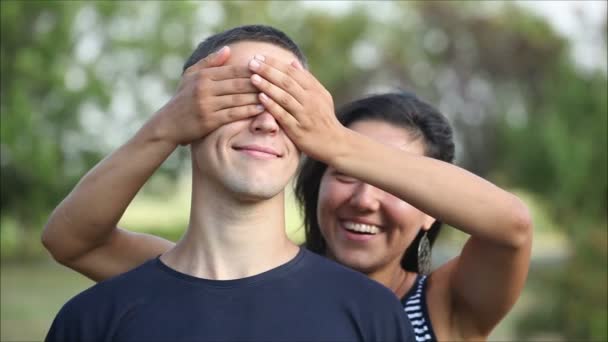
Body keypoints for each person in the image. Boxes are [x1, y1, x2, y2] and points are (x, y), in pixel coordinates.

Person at [44, 28, 533, 342]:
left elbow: (511, 225)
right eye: (344, 175)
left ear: (432, 205)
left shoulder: (437, 306)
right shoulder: (211, 279)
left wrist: (336, 142)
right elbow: (71, 240)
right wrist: (168, 124)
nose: (365, 199)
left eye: (393, 181)